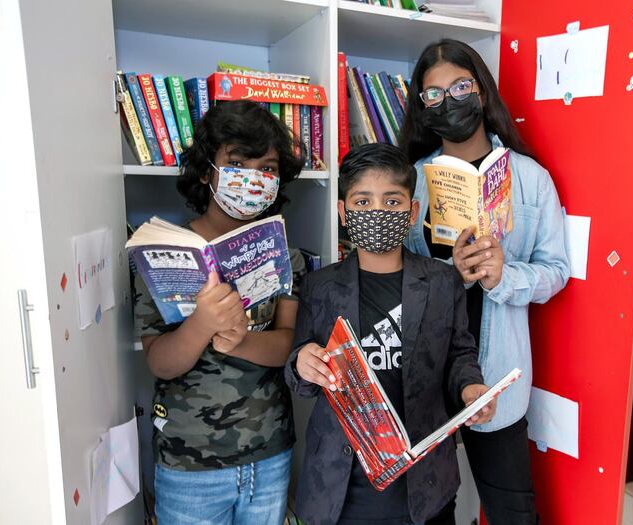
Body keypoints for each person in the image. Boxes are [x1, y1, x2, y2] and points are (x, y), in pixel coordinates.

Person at [400, 39, 571, 525]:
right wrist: (445, 274)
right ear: (421, 105)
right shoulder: (409, 182)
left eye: (459, 86)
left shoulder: (530, 178)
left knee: (513, 508)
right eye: (433, 94)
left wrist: (504, 276)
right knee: (429, 509)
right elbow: (397, 273)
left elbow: (555, 271)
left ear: (481, 90)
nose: (448, 101)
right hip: (428, 370)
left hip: (495, 371)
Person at [285, 143, 496, 525]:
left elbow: (460, 355)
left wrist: (471, 390)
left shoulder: (442, 280)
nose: (377, 212)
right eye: (362, 203)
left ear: (413, 212)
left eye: (392, 202)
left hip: (424, 485)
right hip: (340, 486)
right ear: (343, 213)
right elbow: (301, 373)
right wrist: (302, 364)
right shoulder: (320, 287)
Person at [133, 100, 306, 524]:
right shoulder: (162, 252)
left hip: (269, 453)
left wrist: (244, 339)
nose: (252, 178)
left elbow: (286, 344)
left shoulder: (286, 255)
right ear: (209, 170)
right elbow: (160, 362)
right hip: (188, 462)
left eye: (266, 168)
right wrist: (202, 325)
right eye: (237, 162)